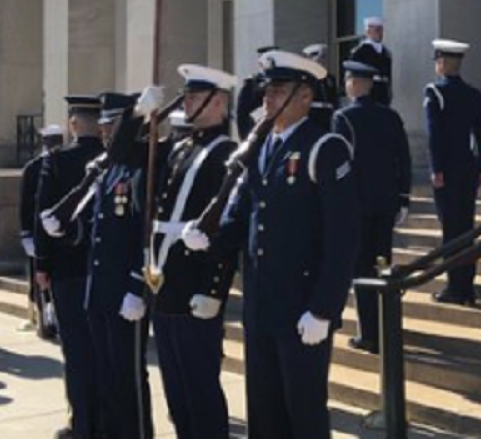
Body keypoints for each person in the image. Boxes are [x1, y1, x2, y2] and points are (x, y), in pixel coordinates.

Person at [184, 50, 358, 439]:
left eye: (279, 91)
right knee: (264, 412)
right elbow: (243, 215)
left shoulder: (324, 147)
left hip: (302, 306)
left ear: (305, 96)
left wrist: (324, 308)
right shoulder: (262, 146)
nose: (268, 99)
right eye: (267, 91)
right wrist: (209, 238)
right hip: (261, 303)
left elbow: (343, 238)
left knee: (303, 414)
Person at [149, 65, 238, 439]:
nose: (186, 104)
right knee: (175, 384)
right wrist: (145, 114)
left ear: (218, 102)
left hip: (195, 281)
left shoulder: (228, 154)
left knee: (200, 384)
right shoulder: (181, 148)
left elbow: (229, 227)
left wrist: (213, 288)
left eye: (194, 98)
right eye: (184, 97)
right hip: (165, 277)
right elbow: (131, 152)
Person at [79, 89, 160, 439]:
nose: (104, 132)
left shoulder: (142, 167)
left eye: (110, 125)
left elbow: (145, 234)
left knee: (128, 377)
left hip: (124, 291)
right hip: (101, 288)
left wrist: (136, 287)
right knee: (108, 374)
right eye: (102, 126)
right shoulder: (113, 169)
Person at [35, 97, 106, 439]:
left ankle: (82, 424)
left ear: (73, 124)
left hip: (67, 268)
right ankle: (105, 422)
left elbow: (44, 214)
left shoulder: (57, 160)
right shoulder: (110, 159)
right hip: (104, 269)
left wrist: (42, 263)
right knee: (104, 351)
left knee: (76, 352)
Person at [333, 59, 412, 353]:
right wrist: (403, 196)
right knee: (382, 264)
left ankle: (369, 332)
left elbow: (340, 164)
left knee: (361, 268)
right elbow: (402, 158)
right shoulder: (390, 116)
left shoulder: (344, 118)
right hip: (386, 202)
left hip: (358, 204)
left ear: (355, 84)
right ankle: (386, 326)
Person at [425, 39, 481, 306]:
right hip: (468, 165)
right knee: (466, 228)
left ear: (441, 63)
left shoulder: (435, 92)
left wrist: (436, 168)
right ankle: (467, 286)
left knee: (451, 228)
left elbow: (434, 135)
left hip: (448, 169)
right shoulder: (472, 94)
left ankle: (455, 286)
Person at [21, 123, 65, 340]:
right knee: (39, 280)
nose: (53, 145)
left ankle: (57, 320)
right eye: (50, 141)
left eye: (57, 141)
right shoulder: (33, 168)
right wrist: (26, 234)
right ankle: (43, 323)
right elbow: (26, 204)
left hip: (60, 231)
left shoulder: (65, 162)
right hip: (38, 231)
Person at [349, 17, 393, 105]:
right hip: (368, 89)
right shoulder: (360, 51)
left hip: (383, 90)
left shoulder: (385, 52)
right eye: (377, 30)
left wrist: (389, 90)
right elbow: (353, 74)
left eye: (381, 30)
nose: (380, 34)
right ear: (368, 32)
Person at [236, 45, 277, 137]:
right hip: (259, 135)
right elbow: (242, 116)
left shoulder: (286, 82)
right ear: (260, 63)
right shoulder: (251, 85)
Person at [303, 43, 340, 130]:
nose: (322, 61)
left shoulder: (330, 78)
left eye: (324, 58)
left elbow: (334, 99)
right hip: (313, 114)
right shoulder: (306, 78)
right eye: (320, 58)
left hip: (328, 114)